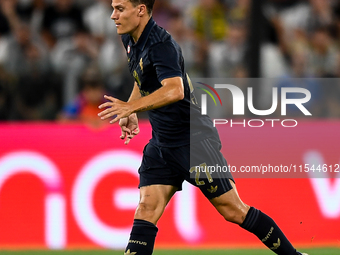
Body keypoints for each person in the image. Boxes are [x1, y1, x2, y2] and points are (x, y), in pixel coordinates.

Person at [98, 1, 308, 255]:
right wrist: (132, 107)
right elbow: (141, 75)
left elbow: (175, 90)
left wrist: (132, 108)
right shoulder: (131, 39)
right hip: (162, 144)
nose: (113, 15)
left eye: (119, 8)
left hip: (192, 142)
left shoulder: (161, 45)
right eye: (113, 8)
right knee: (146, 209)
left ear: (140, 10)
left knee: (233, 210)